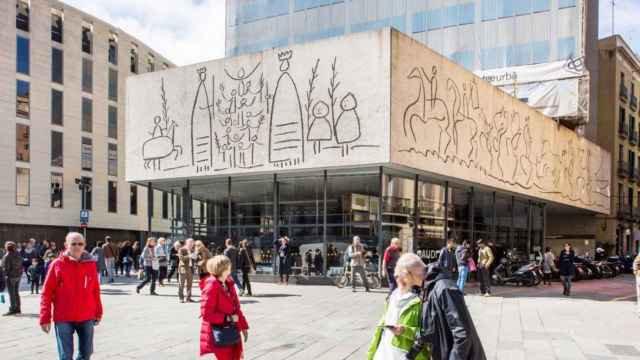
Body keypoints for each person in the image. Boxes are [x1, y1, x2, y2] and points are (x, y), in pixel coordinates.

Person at [40, 232, 103, 360]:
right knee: (65, 356)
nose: (77, 246)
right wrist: (45, 316)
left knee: (86, 354)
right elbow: (46, 292)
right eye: (73, 243)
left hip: (86, 316)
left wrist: (98, 311)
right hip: (64, 317)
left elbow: (95, 290)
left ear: (84, 245)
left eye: (80, 244)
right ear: (66, 245)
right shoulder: (57, 264)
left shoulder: (90, 264)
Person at [407, 264, 486, 360]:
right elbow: (429, 328)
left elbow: (461, 333)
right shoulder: (424, 290)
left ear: (410, 274)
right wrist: (410, 354)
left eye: (401, 276)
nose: (401, 281)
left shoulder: (444, 287)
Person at [367, 253, 430, 360]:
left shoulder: (421, 301)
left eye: (399, 274)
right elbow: (382, 329)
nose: (396, 277)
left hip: (406, 354)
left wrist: (405, 330)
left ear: (408, 276)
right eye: (396, 274)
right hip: (385, 351)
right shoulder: (392, 296)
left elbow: (427, 334)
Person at [199, 255, 249, 360]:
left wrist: (243, 326)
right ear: (223, 268)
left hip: (233, 331)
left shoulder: (228, 283)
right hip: (220, 333)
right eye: (229, 265)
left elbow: (236, 308)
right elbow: (206, 315)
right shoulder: (211, 285)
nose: (231, 267)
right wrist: (228, 318)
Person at [2, 241, 23, 315]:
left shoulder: (7, 256)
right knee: (16, 292)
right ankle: (18, 308)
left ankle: (12, 309)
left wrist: (4, 275)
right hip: (18, 276)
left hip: (11, 277)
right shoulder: (18, 254)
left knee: (11, 293)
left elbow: (6, 268)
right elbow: (21, 265)